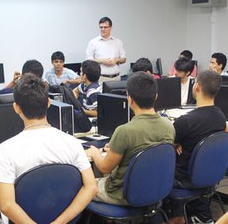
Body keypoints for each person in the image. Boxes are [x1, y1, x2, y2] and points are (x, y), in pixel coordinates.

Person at [0, 73, 97, 223]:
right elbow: (91, 187)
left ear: (16, 108)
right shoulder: (72, 143)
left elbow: (6, 205)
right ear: (49, 103)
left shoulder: (6, 150)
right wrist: (60, 221)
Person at [86, 71, 175, 205]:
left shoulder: (125, 131)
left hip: (123, 194)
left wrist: (94, 153)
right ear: (155, 96)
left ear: (130, 98)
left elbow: (104, 168)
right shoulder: (169, 126)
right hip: (155, 188)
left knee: (83, 187)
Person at [169, 70, 227, 224]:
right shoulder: (221, 118)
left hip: (183, 179)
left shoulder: (185, 122)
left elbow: (167, 144)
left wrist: (175, 144)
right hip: (210, 177)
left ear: (197, 87)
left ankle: (175, 216)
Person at [86, 17, 126, 82]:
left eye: (105, 27)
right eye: (101, 27)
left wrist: (116, 60)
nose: (103, 29)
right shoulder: (93, 42)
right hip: (101, 78)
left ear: (111, 28)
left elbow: (124, 59)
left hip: (116, 78)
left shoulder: (118, 42)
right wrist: (102, 61)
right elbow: (88, 59)